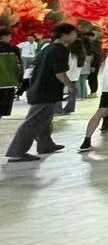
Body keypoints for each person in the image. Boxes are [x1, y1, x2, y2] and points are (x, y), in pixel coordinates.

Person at [4, 23, 78, 162]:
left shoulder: (48, 47)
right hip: (46, 90)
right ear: (64, 34)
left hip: (39, 87)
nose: (76, 36)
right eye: (74, 33)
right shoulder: (60, 49)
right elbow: (59, 72)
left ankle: (45, 144)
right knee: (33, 122)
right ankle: (16, 152)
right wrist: (70, 86)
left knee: (44, 119)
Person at [0, 27, 20, 119]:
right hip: (8, 84)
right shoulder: (14, 49)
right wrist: (20, 81)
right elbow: (19, 67)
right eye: (10, 36)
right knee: (2, 111)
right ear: (5, 36)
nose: (10, 38)